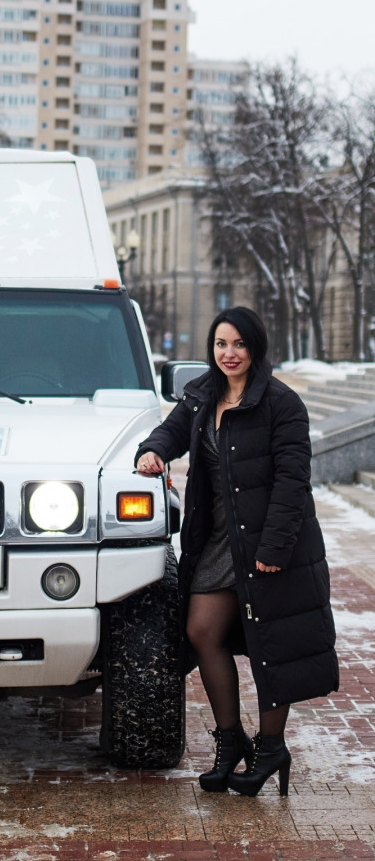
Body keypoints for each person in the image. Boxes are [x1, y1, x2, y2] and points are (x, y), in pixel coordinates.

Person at [135, 306, 338, 796]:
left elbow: (294, 480)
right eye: (222, 344)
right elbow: (174, 431)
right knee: (202, 630)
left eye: (239, 345)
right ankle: (231, 741)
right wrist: (154, 449)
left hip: (269, 541)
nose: (230, 354)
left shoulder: (281, 403)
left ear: (255, 348)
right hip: (220, 538)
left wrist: (274, 547)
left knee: (272, 645)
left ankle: (271, 748)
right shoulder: (203, 394)